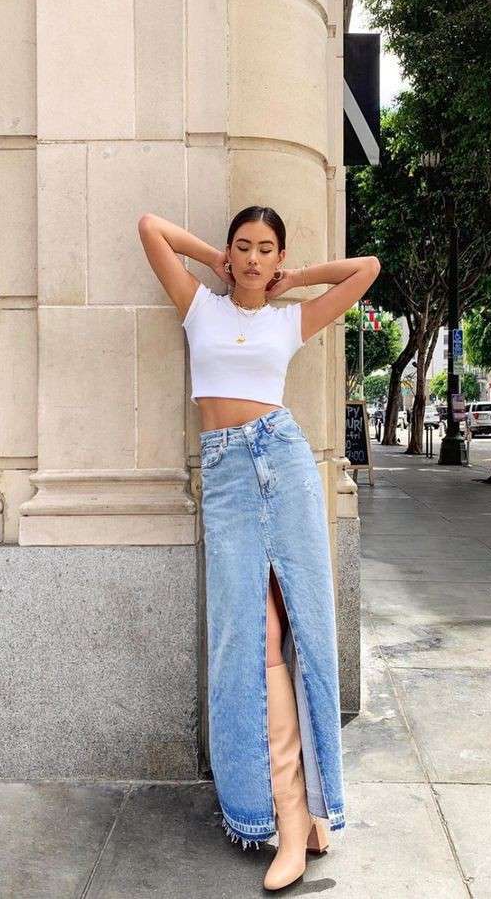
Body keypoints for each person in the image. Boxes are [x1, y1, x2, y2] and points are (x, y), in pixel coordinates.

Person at [138, 206, 380, 891]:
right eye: (242, 246)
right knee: (250, 637)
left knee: (297, 627)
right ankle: (289, 816)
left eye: (264, 248)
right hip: (226, 476)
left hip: (284, 458)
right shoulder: (199, 307)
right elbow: (150, 226)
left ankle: (299, 816)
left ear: (278, 257)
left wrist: (296, 276)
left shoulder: (288, 318)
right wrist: (210, 257)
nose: (251, 258)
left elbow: (367, 270)